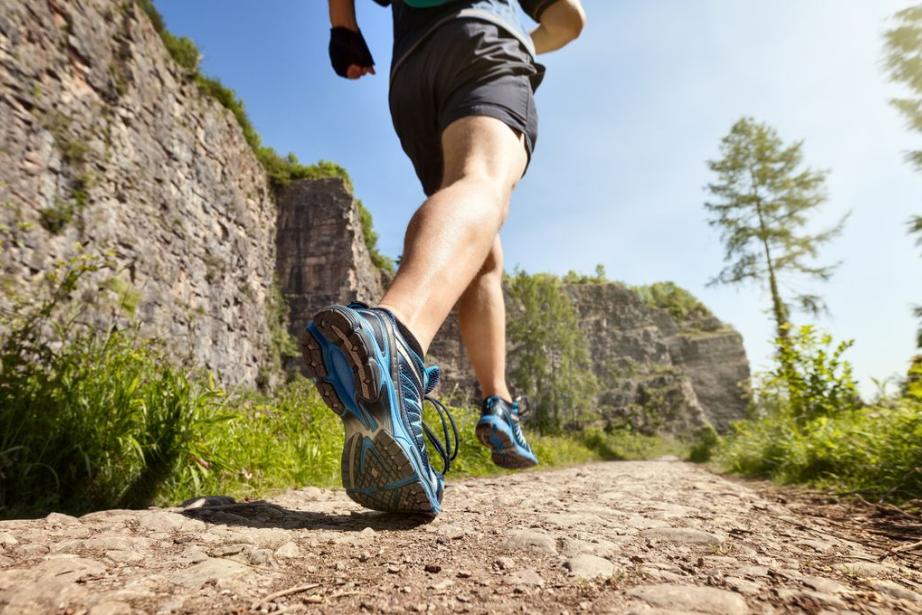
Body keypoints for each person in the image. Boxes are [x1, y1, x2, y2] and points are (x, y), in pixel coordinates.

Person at [305, 0, 586, 515]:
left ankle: (498, 402)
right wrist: (528, 39)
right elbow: (569, 19)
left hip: (412, 72)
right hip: (483, 41)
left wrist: (343, 29)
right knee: (481, 181)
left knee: (479, 247)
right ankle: (396, 335)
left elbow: (343, 14)